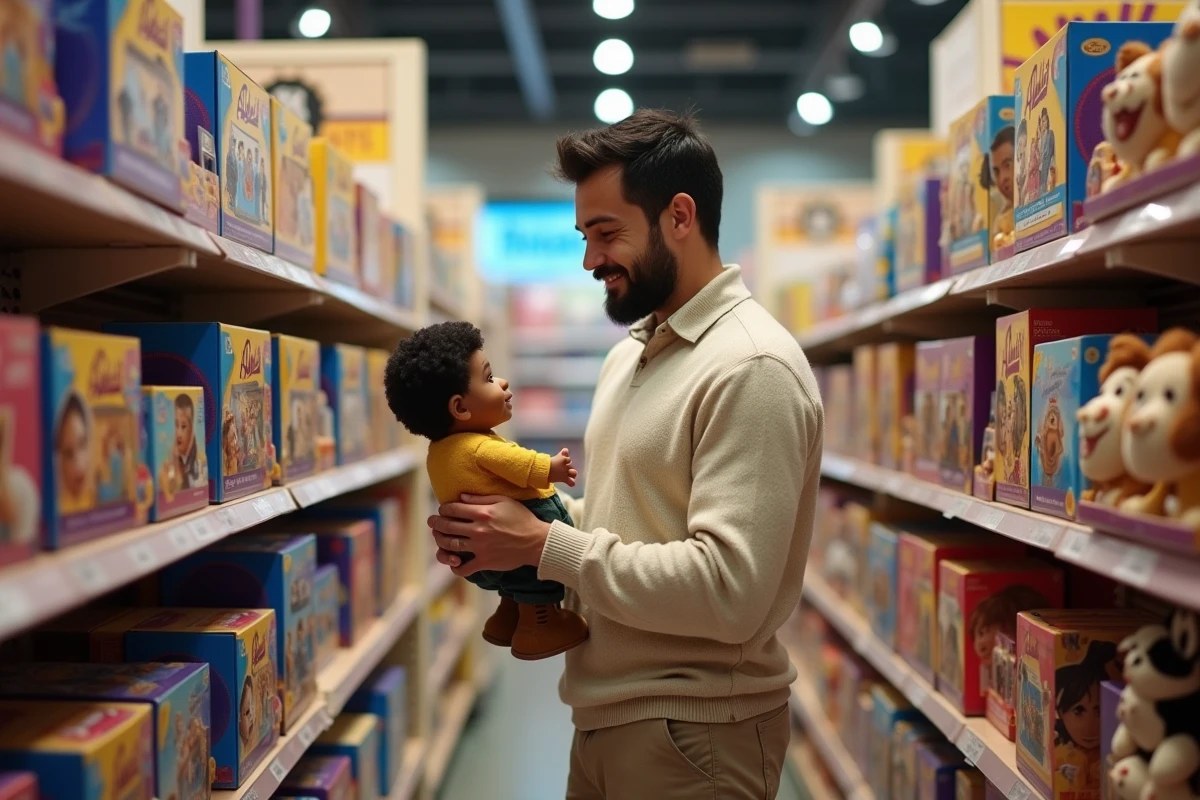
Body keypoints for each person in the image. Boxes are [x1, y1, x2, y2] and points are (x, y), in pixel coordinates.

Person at [426, 109, 824, 798]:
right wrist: (510, 532)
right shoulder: (630, 356)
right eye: (585, 236)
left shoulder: (751, 366)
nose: (589, 260)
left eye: (607, 234)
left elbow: (732, 592)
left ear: (679, 215)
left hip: (697, 734)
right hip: (604, 714)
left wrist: (545, 546)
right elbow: (629, 522)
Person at [384, 321, 589, 659]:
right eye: (490, 378)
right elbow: (519, 462)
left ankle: (506, 617)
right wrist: (552, 468)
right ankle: (540, 626)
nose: (503, 382)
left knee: (512, 585)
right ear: (460, 408)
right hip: (521, 531)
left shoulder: (439, 451)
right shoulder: (478, 447)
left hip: (476, 548)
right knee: (535, 581)